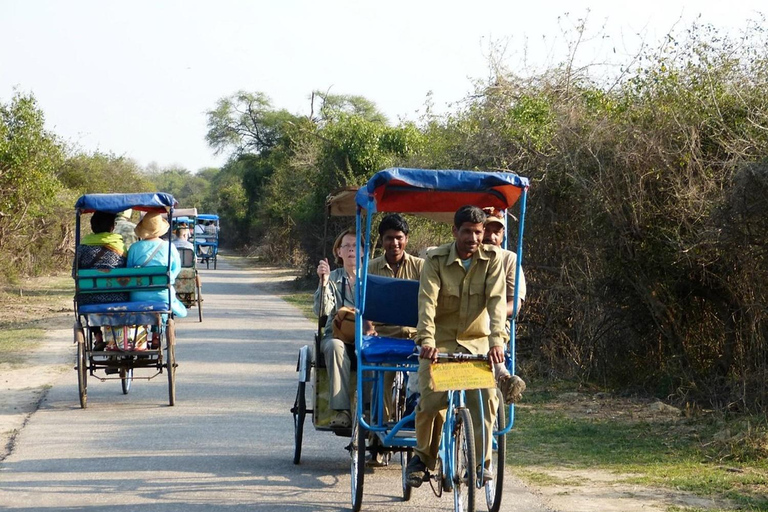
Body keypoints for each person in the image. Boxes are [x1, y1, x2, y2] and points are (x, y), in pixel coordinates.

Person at [406, 205, 507, 488]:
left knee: (486, 398)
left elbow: (497, 304)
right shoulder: (435, 260)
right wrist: (426, 340)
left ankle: (481, 464)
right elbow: (427, 302)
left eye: (478, 232)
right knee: (431, 401)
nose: (473, 239)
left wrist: (496, 341)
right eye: (467, 232)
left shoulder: (493, 260)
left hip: (477, 343)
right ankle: (424, 458)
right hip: (440, 343)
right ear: (454, 231)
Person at [314, 228, 369, 429]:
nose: (351, 250)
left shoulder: (371, 277)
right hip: (337, 335)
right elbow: (322, 310)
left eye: (356, 246)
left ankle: (371, 410)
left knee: (376, 349)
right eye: (346, 246)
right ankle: (341, 411)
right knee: (335, 346)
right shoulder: (334, 277)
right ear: (338, 252)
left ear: (363, 251)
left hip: (365, 335)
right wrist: (324, 282)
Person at [482, 207, 528, 405]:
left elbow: (514, 304)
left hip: (495, 323)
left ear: (503, 235)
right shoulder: (464, 255)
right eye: (486, 230)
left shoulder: (508, 259)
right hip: (459, 322)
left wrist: (490, 314)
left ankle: (501, 376)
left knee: (489, 329)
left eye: (497, 231)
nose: (491, 236)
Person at [73, 210, 129, 350]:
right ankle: (117, 340)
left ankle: (97, 335)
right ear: (112, 227)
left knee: (85, 298)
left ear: (93, 227)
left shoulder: (82, 248)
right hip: (118, 297)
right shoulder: (120, 247)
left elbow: (75, 274)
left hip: (89, 298)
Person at [127, 212, 188, 336]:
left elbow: (129, 270)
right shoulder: (170, 247)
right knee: (167, 298)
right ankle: (156, 334)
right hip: (163, 295)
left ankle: (141, 332)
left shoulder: (134, 248)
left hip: (137, 296)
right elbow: (176, 270)